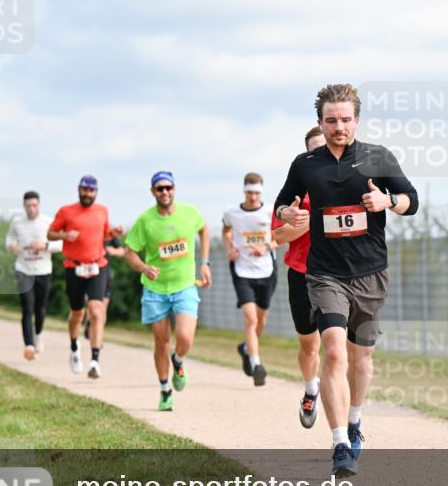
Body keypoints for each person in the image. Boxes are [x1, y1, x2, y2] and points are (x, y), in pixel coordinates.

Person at [275, 83, 418, 476]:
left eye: (345, 119)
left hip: (371, 272)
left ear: (357, 119)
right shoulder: (306, 164)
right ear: (320, 122)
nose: (339, 126)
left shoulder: (378, 157)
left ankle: (355, 420)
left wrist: (388, 201)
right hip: (325, 274)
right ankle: (340, 443)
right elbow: (282, 202)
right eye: (331, 120)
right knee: (334, 351)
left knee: (361, 357)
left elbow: (412, 199)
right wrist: (290, 215)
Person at [123, 171, 211, 411]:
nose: (164, 192)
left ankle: (179, 360)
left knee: (185, 338)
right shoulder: (145, 220)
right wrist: (143, 267)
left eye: (168, 188)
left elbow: (204, 230)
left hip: (184, 286)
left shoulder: (189, 213)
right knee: (161, 342)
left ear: (174, 189)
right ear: (153, 192)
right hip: (155, 290)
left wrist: (205, 262)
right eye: (159, 188)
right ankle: (164, 389)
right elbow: (129, 251)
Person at [271, 126, 327, 428]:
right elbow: (278, 237)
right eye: (315, 151)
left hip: (340, 274)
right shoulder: (294, 190)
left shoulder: (349, 183)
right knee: (310, 346)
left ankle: (344, 421)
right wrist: (311, 219)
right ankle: (310, 390)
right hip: (302, 274)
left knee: (336, 347)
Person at [47, 175, 124, 378]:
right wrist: (64, 235)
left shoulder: (102, 211)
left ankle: (95, 360)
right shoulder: (66, 211)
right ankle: (74, 347)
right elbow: (50, 233)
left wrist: (114, 233)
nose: (88, 194)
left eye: (91, 191)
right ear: (79, 190)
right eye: (84, 190)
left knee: (96, 311)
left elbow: (104, 235)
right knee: (77, 314)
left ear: (96, 192)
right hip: (74, 267)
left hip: (98, 266)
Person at [223, 172, 277, 387]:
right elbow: (226, 231)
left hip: (266, 271)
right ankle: (256, 365)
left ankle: (246, 349)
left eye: (256, 193)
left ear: (261, 192)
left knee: (261, 320)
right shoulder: (231, 213)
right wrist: (229, 248)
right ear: (244, 191)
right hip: (242, 270)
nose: (253, 197)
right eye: (249, 193)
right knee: (251, 319)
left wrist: (266, 247)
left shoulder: (271, 211)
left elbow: (280, 237)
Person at [6, 191, 62, 360]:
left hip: (43, 270)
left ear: (39, 205)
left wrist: (44, 245)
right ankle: (29, 346)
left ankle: (38, 336)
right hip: (24, 269)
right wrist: (12, 246)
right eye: (28, 205)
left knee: (40, 309)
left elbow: (60, 243)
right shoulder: (17, 222)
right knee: (27, 308)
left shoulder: (48, 222)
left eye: (34, 205)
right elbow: (9, 240)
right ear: (24, 206)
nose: (31, 208)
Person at [83, 236, 125, 340]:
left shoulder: (110, 233)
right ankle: (90, 320)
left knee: (103, 308)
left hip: (105, 274)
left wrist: (113, 251)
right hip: (88, 272)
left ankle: (98, 337)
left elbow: (122, 251)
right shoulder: (87, 228)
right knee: (92, 306)